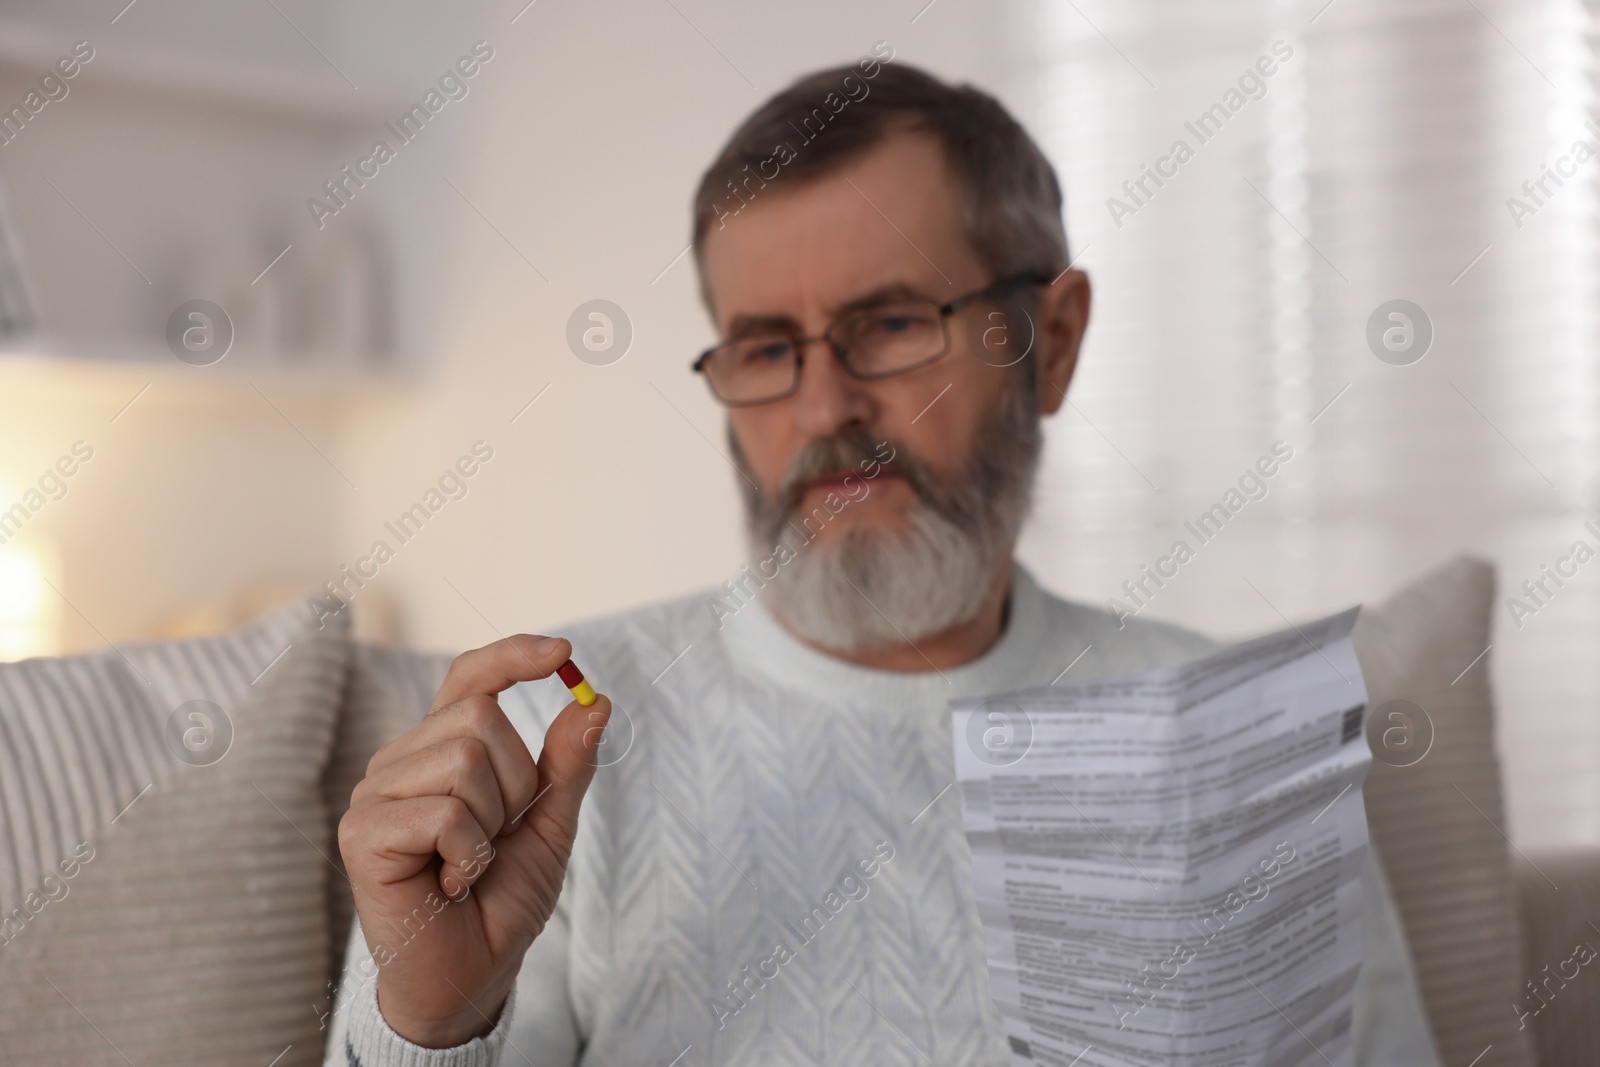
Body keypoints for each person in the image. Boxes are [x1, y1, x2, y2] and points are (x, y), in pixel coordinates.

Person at [326, 57, 1441, 1066]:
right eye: (766, 346)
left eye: (894, 323)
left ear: (1048, 343)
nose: (823, 406)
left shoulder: (1240, 740)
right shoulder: (542, 752)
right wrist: (430, 1022)